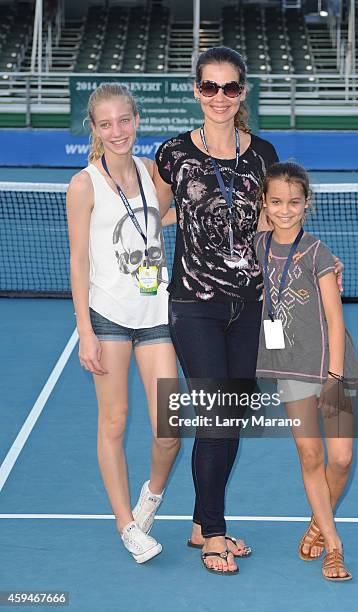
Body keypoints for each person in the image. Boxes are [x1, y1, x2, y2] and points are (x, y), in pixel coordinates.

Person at [153, 46, 344, 575]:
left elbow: (274, 223)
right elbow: (154, 213)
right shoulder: (172, 153)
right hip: (194, 306)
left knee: (231, 418)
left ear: (242, 92)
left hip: (254, 307)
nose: (220, 97)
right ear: (196, 90)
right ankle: (214, 533)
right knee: (215, 417)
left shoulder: (261, 152)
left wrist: (313, 261)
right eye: (209, 87)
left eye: (230, 87)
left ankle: (199, 524)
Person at [66, 83, 180, 564]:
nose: (117, 131)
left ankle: (150, 498)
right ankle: (126, 525)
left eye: (124, 120)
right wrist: (85, 333)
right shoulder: (83, 184)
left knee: (170, 428)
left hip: (157, 314)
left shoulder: (153, 172)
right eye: (106, 123)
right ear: (93, 128)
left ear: (137, 121)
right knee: (113, 421)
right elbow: (78, 262)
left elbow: (166, 216)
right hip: (108, 318)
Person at [255, 161, 358, 581]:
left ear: (306, 204)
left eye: (294, 203)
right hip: (291, 367)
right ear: (265, 204)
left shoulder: (317, 252)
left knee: (342, 457)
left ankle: (319, 521)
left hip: (332, 364)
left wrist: (334, 380)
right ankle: (333, 545)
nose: (285, 210)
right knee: (311, 454)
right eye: (276, 202)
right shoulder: (258, 246)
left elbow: (336, 322)